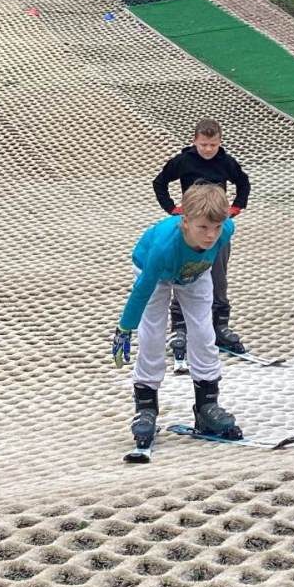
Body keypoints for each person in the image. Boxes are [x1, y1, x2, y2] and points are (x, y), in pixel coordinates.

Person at [112, 183, 242, 448]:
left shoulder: (226, 229)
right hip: (155, 273)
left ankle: (207, 405)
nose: (211, 235)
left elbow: (216, 246)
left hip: (194, 274)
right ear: (185, 222)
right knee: (152, 333)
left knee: (203, 331)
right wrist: (124, 328)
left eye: (216, 227)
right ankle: (146, 406)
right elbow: (142, 290)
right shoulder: (163, 247)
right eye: (202, 227)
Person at [153, 117, 250, 356]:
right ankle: (179, 326)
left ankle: (220, 324)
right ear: (194, 141)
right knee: (185, 272)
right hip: (190, 229)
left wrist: (235, 208)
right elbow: (160, 182)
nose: (208, 149)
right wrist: (172, 209)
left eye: (213, 145)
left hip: (218, 228)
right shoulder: (184, 161)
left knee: (218, 275)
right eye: (203, 145)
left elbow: (243, 182)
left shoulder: (225, 162)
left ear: (220, 143)